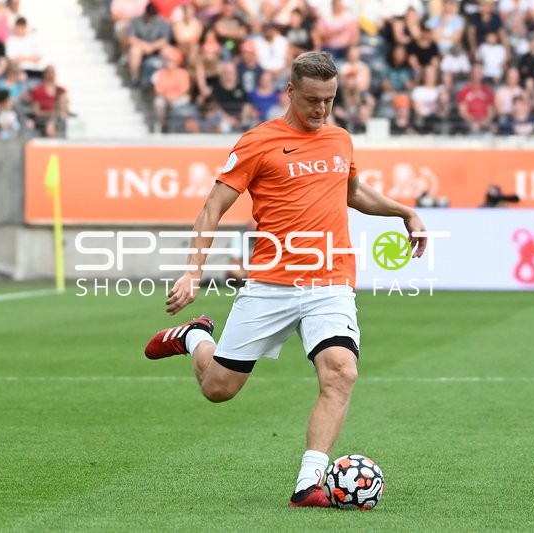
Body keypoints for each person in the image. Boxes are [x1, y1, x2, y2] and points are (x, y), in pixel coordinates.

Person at [143, 51, 427, 508]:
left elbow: (353, 192)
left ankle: (308, 483)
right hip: (270, 284)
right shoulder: (258, 142)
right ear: (290, 91)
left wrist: (404, 212)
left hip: (330, 281)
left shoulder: (340, 140)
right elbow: (213, 208)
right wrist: (193, 270)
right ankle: (195, 337)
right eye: (312, 100)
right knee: (219, 390)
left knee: (341, 372)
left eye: (329, 100)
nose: (320, 110)